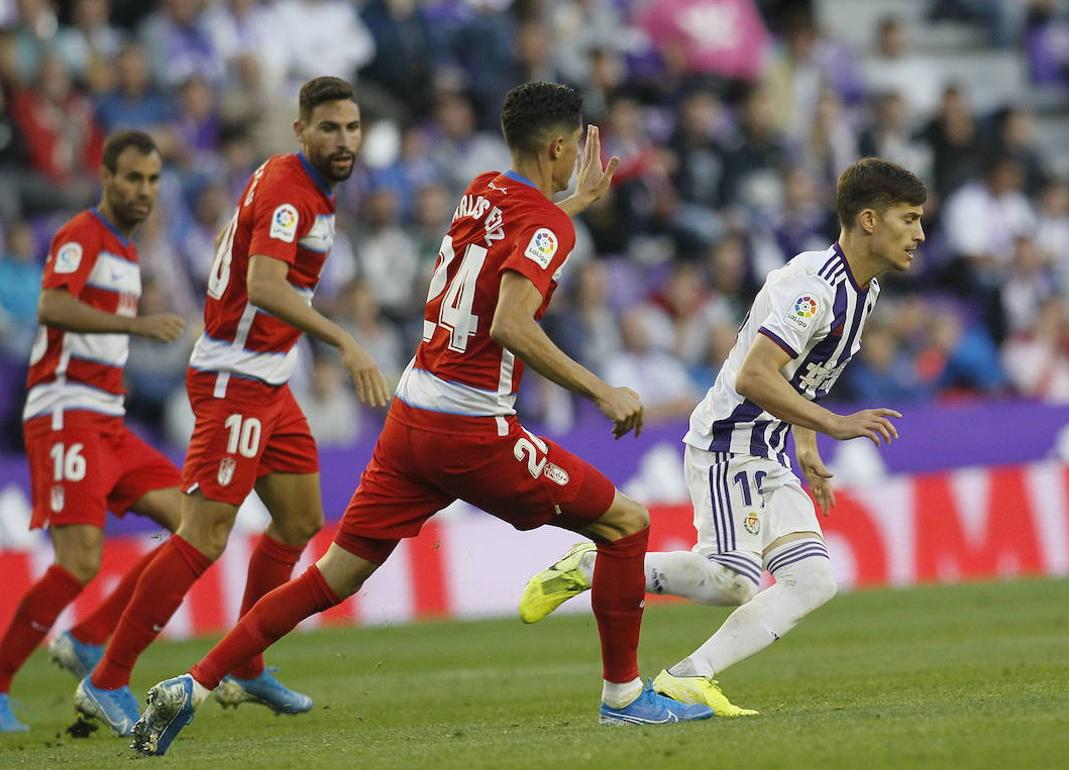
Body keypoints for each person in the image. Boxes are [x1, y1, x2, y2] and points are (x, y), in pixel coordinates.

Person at [131, 81, 712, 757]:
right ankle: (624, 698)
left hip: (412, 417)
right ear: (560, 147)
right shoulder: (546, 225)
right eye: (573, 148)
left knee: (333, 578)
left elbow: (514, 231)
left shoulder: (481, 188)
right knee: (626, 523)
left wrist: (572, 203)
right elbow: (511, 323)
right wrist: (600, 389)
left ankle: (194, 684)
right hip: (472, 431)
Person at [519, 157, 925, 716]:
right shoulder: (813, 288)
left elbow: (806, 373)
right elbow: (753, 375)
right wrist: (832, 425)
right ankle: (593, 567)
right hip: (729, 441)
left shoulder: (864, 291)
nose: (920, 234)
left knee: (813, 580)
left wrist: (807, 445)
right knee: (734, 580)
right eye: (909, 219)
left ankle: (689, 677)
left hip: (771, 447)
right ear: (870, 220)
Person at [75, 76, 388, 737]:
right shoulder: (288, 193)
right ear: (300, 130)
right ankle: (106, 678)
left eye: (352, 128)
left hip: (270, 381)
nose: (343, 140)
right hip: (234, 381)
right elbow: (265, 284)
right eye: (329, 128)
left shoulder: (305, 188)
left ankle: (245, 662)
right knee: (204, 535)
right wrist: (343, 341)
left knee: (301, 521)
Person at [0, 131, 186, 733]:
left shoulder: (128, 255)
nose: (143, 190)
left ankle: (89, 639)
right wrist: (133, 326)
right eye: (132, 178)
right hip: (64, 411)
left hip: (108, 418)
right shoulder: (83, 233)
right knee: (79, 562)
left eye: (153, 181)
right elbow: (52, 306)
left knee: (196, 525)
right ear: (106, 177)